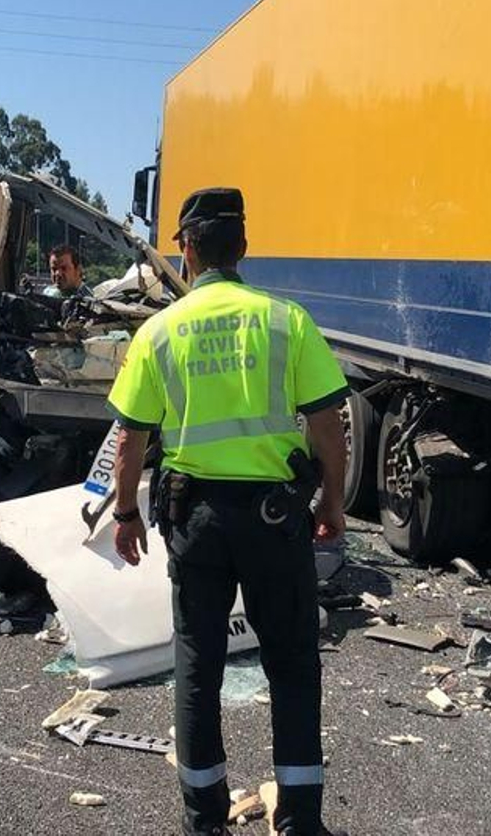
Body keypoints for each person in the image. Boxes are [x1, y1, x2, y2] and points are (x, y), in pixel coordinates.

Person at [105, 187, 350, 836]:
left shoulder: (159, 331)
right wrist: (333, 502)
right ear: (242, 249)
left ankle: (204, 820)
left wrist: (126, 514)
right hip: (275, 520)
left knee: (198, 667)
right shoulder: (285, 321)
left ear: (185, 250)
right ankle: (299, 820)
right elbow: (329, 425)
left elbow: (129, 439)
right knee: (293, 664)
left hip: (196, 522)